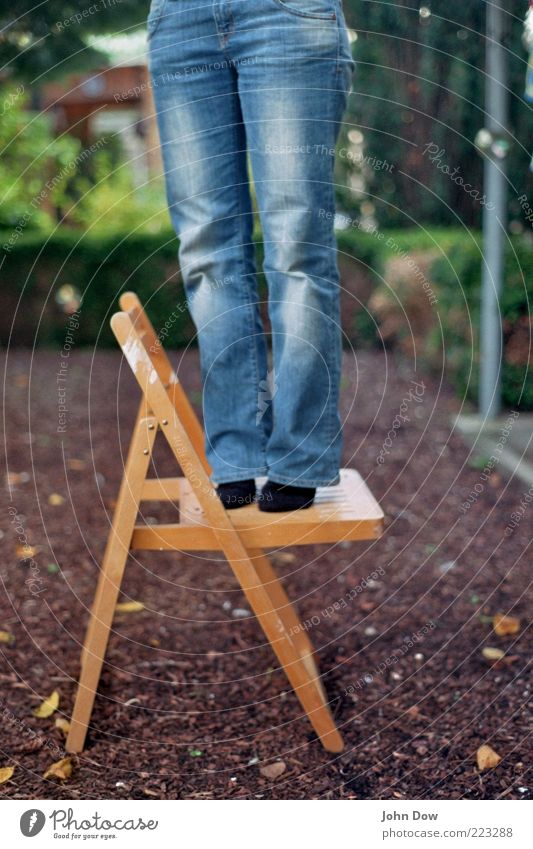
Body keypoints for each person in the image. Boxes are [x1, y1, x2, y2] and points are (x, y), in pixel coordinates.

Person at [148, 0, 355, 511]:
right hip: (180, 19)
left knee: (297, 248)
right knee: (206, 250)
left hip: (285, 16)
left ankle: (299, 457)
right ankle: (236, 456)